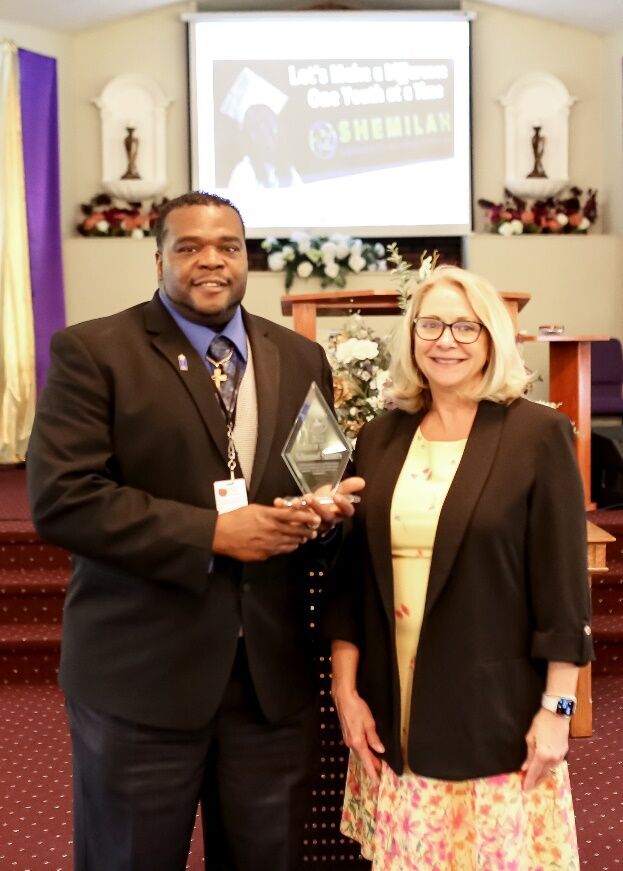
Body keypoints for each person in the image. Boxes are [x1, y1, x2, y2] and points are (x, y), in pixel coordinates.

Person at [26, 191, 364, 871]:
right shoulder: (95, 351)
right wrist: (212, 533)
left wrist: (323, 515)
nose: (210, 261)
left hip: (269, 685)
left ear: (246, 259)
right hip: (141, 682)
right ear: (159, 258)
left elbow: (312, 477)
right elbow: (62, 497)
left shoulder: (299, 358)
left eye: (228, 247)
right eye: (188, 247)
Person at [325, 265, 593, 870]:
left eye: (465, 327)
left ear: (492, 338)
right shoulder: (378, 438)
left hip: (497, 717)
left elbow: (565, 598)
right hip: (394, 712)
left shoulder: (538, 435)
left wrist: (560, 713)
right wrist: (346, 693)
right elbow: (350, 583)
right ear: (412, 336)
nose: (446, 341)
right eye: (431, 325)